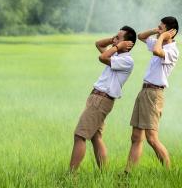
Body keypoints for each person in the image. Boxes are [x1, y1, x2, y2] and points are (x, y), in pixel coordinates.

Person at [70, 26, 137, 171]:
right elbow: (99, 44)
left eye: (118, 38)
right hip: (98, 98)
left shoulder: (126, 60)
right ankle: (104, 173)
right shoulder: (116, 56)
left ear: (127, 44)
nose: (114, 40)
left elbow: (102, 57)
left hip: (101, 99)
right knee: (95, 137)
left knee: (80, 136)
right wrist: (115, 40)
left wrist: (118, 45)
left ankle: (71, 175)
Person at [125, 17, 179, 172]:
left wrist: (163, 36)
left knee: (152, 138)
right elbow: (141, 36)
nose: (158, 30)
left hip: (154, 94)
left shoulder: (172, 50)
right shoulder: (159, 42)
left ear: (171, 32)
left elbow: (156, 51)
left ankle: (169, 172)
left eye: (161, 27)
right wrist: (157, 31)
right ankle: (127, 173)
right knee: (136, 137)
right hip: (144, 91)